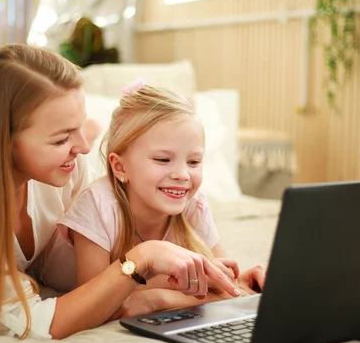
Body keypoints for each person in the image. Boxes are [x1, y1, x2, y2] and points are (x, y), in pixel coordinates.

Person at [0, 44, 240, 341]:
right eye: (61, 138)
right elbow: (35, 322)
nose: (85, 147)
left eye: (81, 127)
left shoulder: (64, 169)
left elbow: (103, 258)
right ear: (2, 143)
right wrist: (141, 258)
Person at [56, 78, 265, 319]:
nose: (182, 175)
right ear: (120, 167)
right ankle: (90, 134)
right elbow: (95, 302)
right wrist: (176, 286)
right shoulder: (97, 205)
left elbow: (228, 290)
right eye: (163, 160)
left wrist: (156, 299)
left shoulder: (194, 205)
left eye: (194, 161)